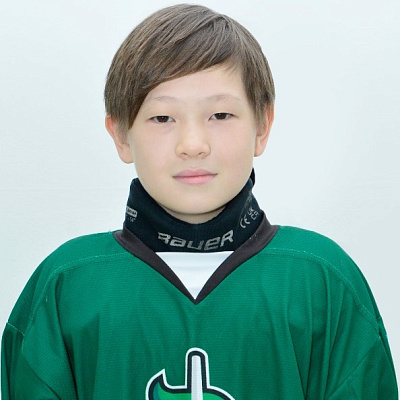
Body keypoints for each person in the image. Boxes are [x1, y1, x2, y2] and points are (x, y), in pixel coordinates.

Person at [1, 3, 397, 399]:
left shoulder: (321, 280)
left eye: (220, 115)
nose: (192, 144)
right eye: (163, 118)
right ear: (121, 134)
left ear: (262, 126)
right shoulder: (67, 285)